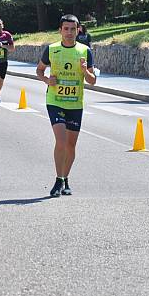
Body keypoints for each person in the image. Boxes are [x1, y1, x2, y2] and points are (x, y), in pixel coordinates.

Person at [36, 14, 97, 197]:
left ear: (78, 30)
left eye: (73, 29)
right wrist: (47, 80)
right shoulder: (52, 49)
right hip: (55, 101)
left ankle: (66, 178)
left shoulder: (85, 51)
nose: (69, 33)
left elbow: (93, 81)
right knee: (61, 141)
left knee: (71, 145)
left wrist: (85, 71)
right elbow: (39, 70)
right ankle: (58, 179)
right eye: (66, 29)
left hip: (75, 104)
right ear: (60, 30)